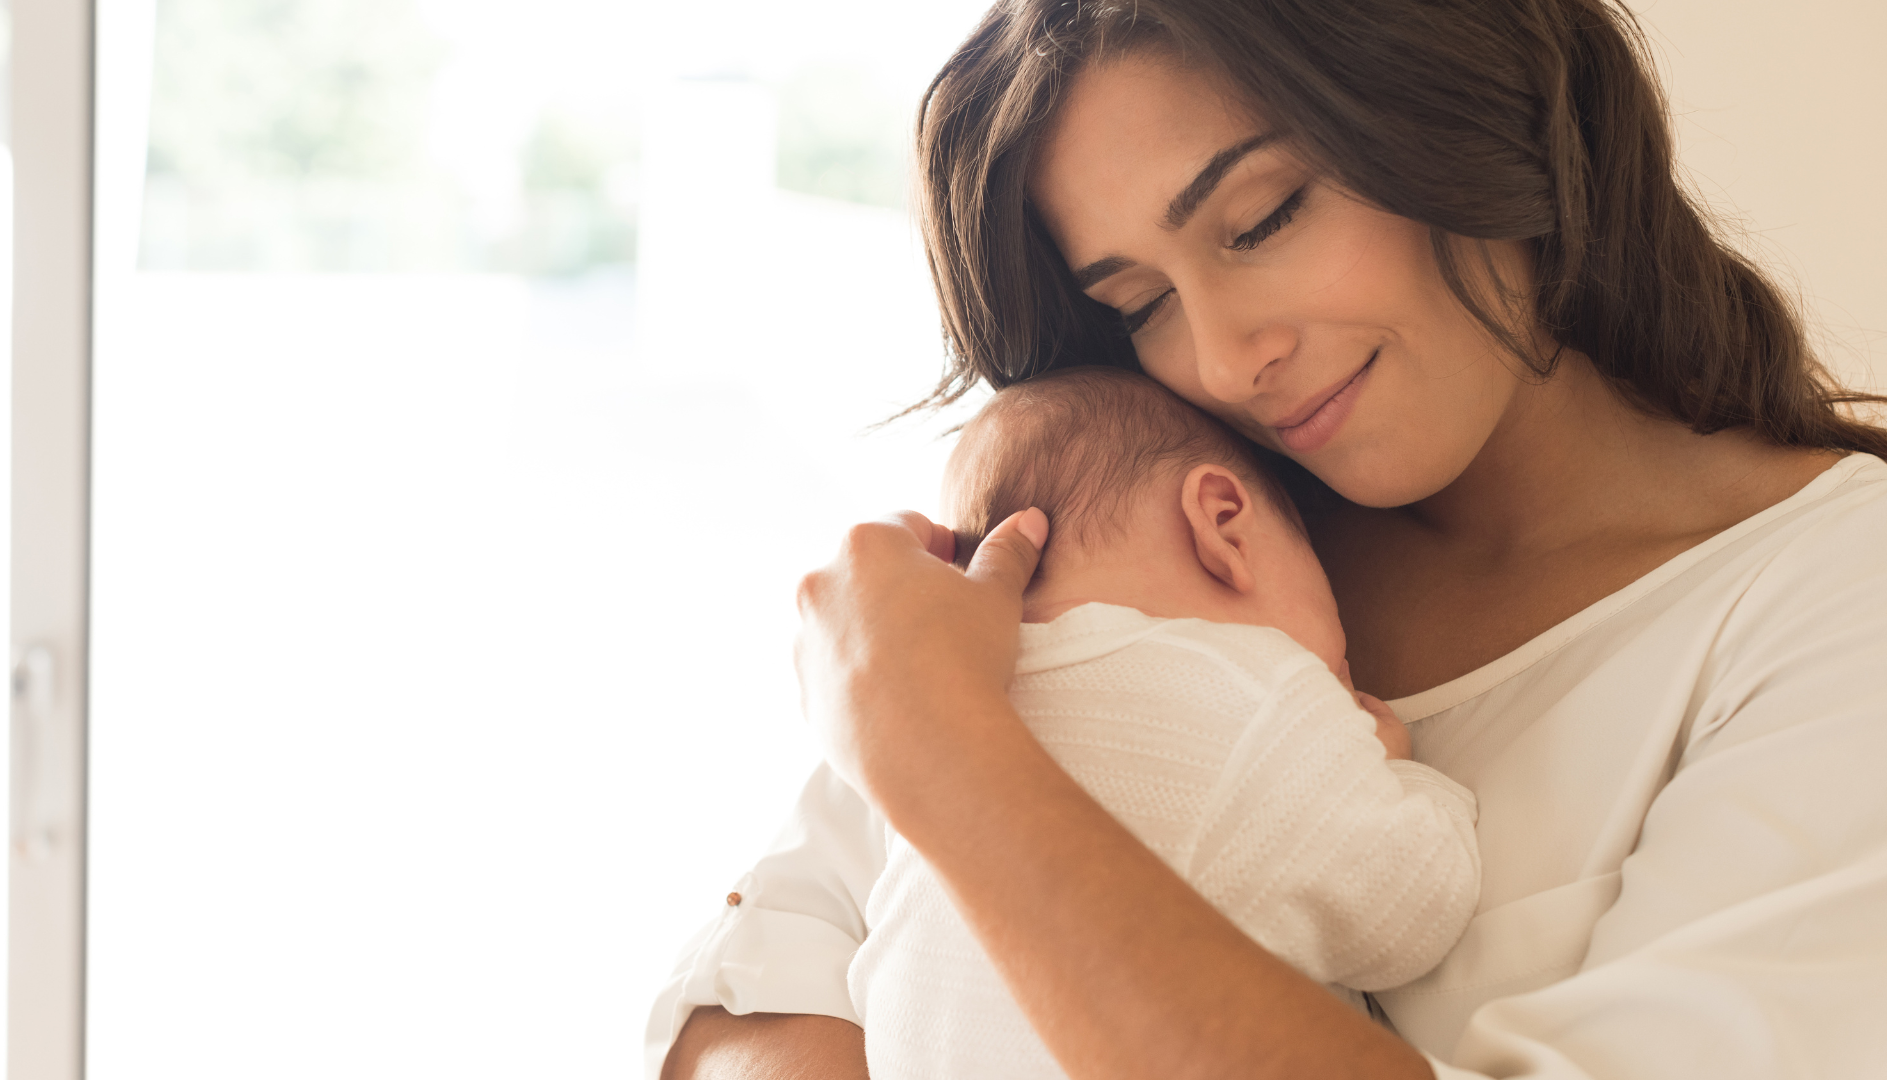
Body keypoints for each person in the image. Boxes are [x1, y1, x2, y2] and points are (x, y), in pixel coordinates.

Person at [661, 1, 1887, 1077]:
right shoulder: (1153, 552)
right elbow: (738, 1013)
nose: (1225, 358)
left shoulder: (1831, 601)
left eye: (1262, 219)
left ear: (1463, 109)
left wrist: (948, 760)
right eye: (1138, 304)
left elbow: (900, 823)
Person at [864, 367, 1477, 1078]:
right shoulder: (1252, 693)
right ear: (1224, 525)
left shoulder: (944, 726)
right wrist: (1399, 773)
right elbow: (1411, 911)